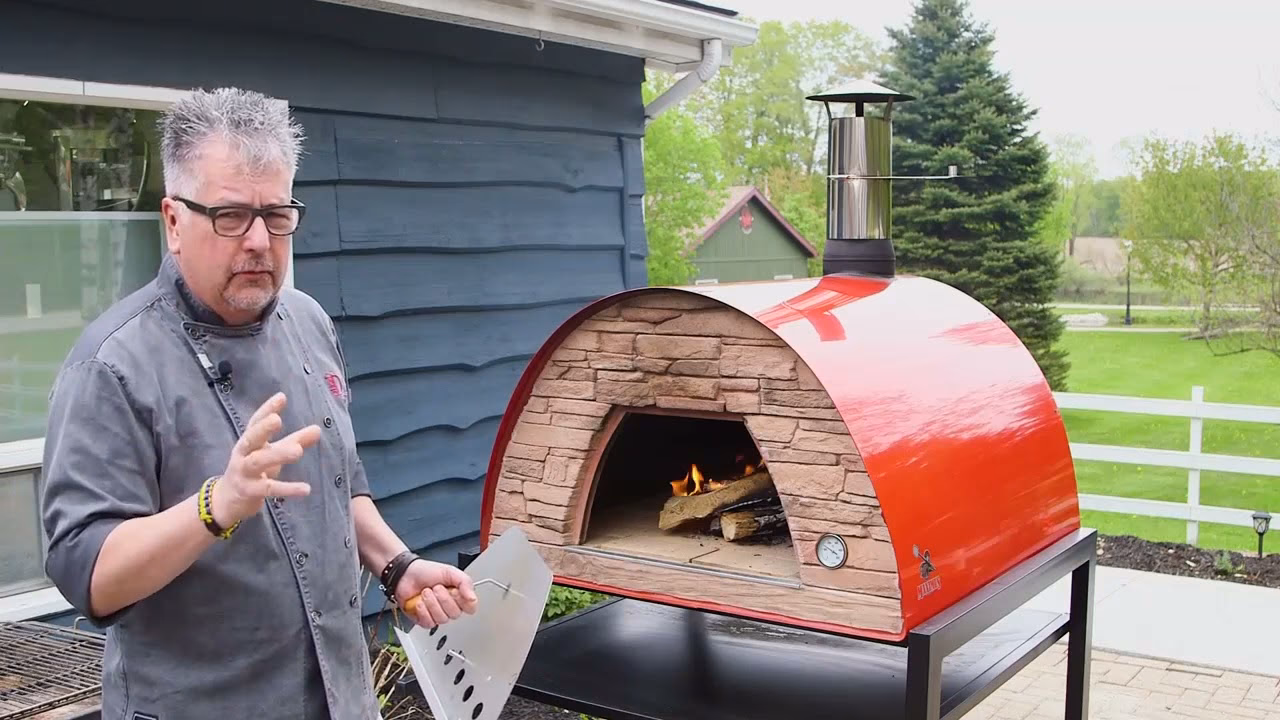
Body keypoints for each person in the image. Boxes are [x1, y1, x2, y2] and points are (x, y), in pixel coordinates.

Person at [39, 87, 478, 720]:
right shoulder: (111, 365)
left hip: (341, 698)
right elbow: (90, 577)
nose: (258, 241)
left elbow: (338, 484)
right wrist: (216, 506)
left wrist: (397, 566)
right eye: (230, 216)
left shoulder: (308, 321)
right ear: (173, 221)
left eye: (277, 215)